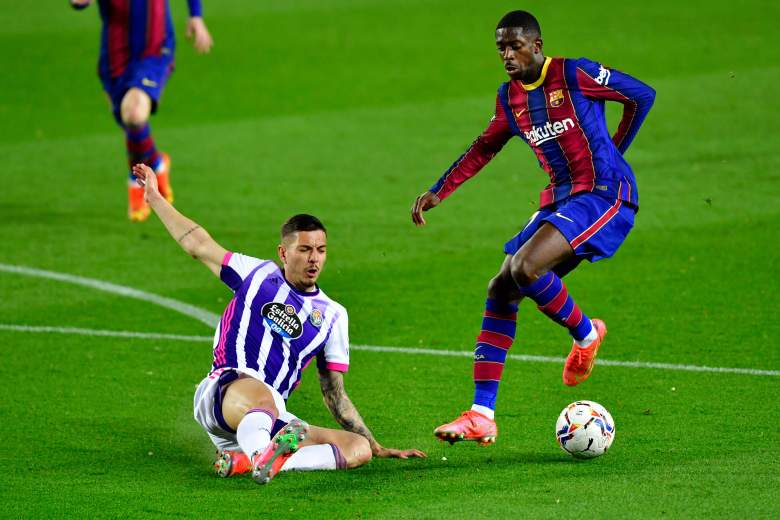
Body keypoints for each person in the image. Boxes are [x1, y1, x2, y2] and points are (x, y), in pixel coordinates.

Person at [411, 10, 655, 445]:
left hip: (604, 194)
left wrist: (616, 152)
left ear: (536, 44)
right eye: (501, 47)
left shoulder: (574, 73)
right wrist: (439, 190)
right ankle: (482, 415)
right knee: (501, 287)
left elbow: (641, 96)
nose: (507, 54)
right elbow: (483, 147)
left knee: (525, 268)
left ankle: (585, 335)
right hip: (561, 199)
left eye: (515, 45)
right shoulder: (510, 98)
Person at [132, 163, 426, 484]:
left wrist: (375, 444)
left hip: (268, 419)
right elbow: (198, 245)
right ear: (283, 253)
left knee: (356, 449)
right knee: (263, 397)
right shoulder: (256, 273)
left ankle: (257, 460)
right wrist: (156, 199)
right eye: (304, 249)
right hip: (226, 392)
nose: (314, 258)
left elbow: (334, 395)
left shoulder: (332, 315)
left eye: (321, 250)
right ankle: (264, 455)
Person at [70, 0, 213, 222]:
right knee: (129, 121)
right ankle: (156, 162)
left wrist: (196, 15)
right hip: (115, 52)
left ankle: (136, 178)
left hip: (155, 47)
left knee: (134, 113)